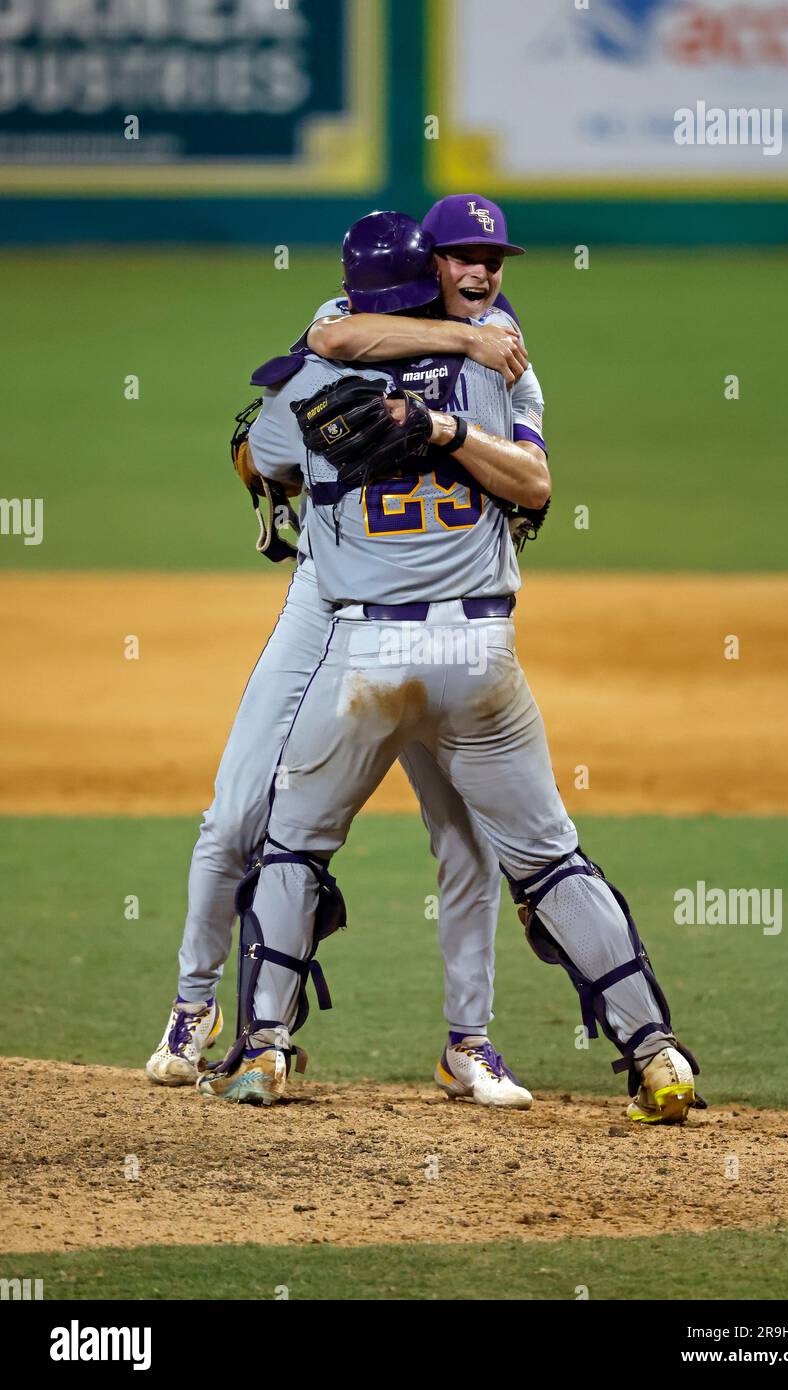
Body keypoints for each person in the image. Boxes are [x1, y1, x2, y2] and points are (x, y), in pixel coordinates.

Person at [198, 208, 702, 1125]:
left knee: (296, 845)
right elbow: (535, 485)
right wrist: (437, 427)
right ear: (431, 278)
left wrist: (304, 443)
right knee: (550, 860)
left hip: (367, 657)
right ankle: (655, 1053)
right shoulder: (488, 364)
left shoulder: (316, 374)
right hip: (480, 659)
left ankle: (263, 1049)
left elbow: (258, 458)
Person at [147, 199, 544, 1108]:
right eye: (458, 259)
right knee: (240, 815)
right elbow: (315, 371)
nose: (474, 277)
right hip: (328, 604)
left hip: (444, 618)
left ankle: (469, 1041)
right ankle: (195, 1006)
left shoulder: (496, 335)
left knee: (467, 833)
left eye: (491, 259)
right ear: (429, 265)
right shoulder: (346, 325)